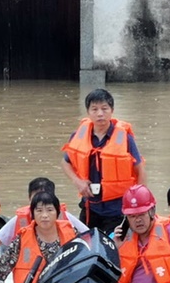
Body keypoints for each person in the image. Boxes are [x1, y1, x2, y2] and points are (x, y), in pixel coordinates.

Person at [61, 88, 146, 235]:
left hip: (117, 209)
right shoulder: (79, 135)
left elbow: (140, 169)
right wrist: (78, 182)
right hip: (89, 207)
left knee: (115, 249)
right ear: (88, 112)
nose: (100, 113)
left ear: (111, 110)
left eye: (104, 108)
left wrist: (140, 202)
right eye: (94, 109)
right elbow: (65, 162)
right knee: (87, 247)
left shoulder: (125, 138)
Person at [0, 177, 88, 270]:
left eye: (47, 202)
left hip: (59, 273)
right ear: (29, 200)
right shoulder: (19, 223)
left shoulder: (68, 220)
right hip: (29, 275)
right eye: (37, 201)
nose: (44, 213)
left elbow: (90, 238)